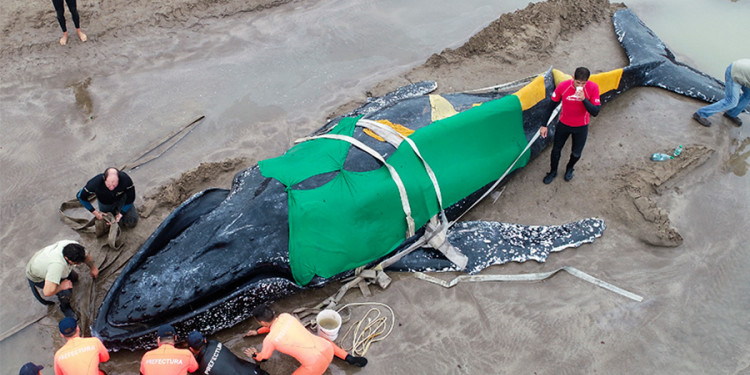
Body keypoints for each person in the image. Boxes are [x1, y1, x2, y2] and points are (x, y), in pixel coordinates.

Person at [242, 305, 367, 375]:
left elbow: (263, 358)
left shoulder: (269, 340)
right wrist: (257, 331)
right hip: (328, 350)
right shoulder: (286, 316)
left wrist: (253, 354)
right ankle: (349, 358)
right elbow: (276, 327)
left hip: (315, 367)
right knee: (323, 341)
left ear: (262, 322)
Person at [541, 66, 601, 184]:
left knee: (576, 153)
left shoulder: (593, 88)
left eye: (583, 83)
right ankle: (553, 172)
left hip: (581, 127)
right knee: (556, 150)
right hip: (564, 124)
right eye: (578, 82)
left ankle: (570, 168)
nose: (580, 86)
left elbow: (595, 112)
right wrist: (544, 125)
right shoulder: (563, 86)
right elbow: (550, 106)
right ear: (573, 78)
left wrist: (584, 99)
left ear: (587, 81)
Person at [26, 240, 98, 319]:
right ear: (66, 258)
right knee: (66, 291)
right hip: (38, 276)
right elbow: (47, 292)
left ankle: (65, 278)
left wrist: (93, 268)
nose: (78, 264)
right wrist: (61, 287)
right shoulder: (57, 266)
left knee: (74, 277)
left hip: (44, 260)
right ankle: (65, 308)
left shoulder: (74, 246)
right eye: (76, 263)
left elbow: (86, 257)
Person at [692, 58, 750, 127]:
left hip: (744, 72)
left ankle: (731, 114)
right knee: (731, 101)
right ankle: (700, 114)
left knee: (748, 95)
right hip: (734, 73)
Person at [187, 331, 269, 375]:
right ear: (204, 340)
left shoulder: (201, 369)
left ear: (191, 349)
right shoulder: (215, 343)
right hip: (254, 372)